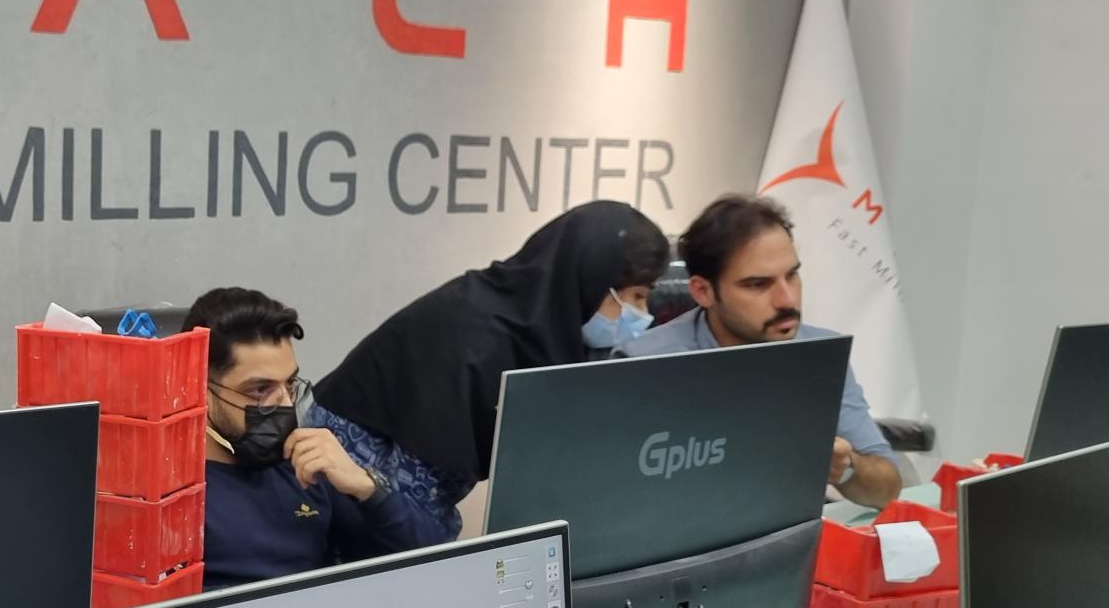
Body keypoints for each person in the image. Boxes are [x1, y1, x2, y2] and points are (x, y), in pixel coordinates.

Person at [311, 201, 672, 536]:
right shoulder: (473, 337)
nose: (643, 314)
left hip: (388, 503)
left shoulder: (541, 331)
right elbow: (413, 511)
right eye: (637, 296)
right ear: (589, 281)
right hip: (334, 499)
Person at [615, 193, 901, 509]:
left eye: (791, 275)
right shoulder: (642, 365)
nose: (787, 300)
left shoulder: (820, 356)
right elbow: (618, 498)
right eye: (757, 284)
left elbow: (887, 488)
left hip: (788, 530)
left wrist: (846, 469)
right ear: (703, 291)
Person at [182, 288, 454, 592]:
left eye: (289, 384)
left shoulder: (302, 465)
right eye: (260, 390)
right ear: (199, 386)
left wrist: (366, 488)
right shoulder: (169, 496)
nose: (285, 404)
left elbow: (433, 562)